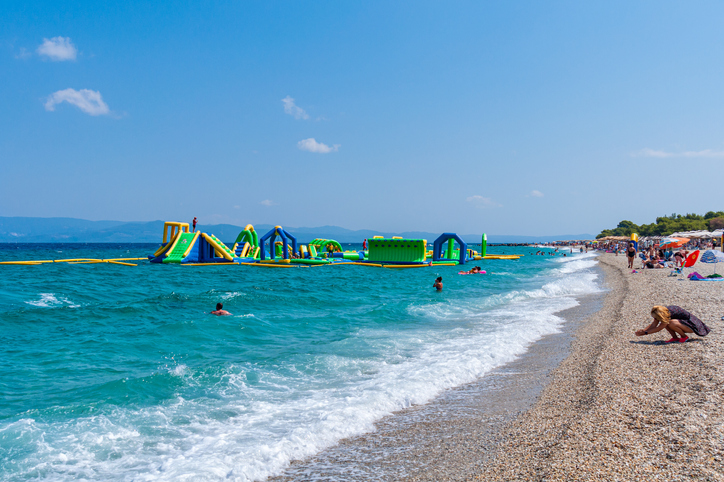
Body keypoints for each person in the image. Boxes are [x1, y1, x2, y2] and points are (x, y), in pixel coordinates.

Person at [635, 305, 710, 343]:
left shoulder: (668, 313)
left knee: (670, 323)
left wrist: (645, 333)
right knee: (667, 323)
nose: (656, 319)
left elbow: (659, 328)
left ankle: (684, 337)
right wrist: (643, 330)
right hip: (682, 323)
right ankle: (675, 338)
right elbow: (654, 324)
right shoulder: (661, 312)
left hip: (692, 325)